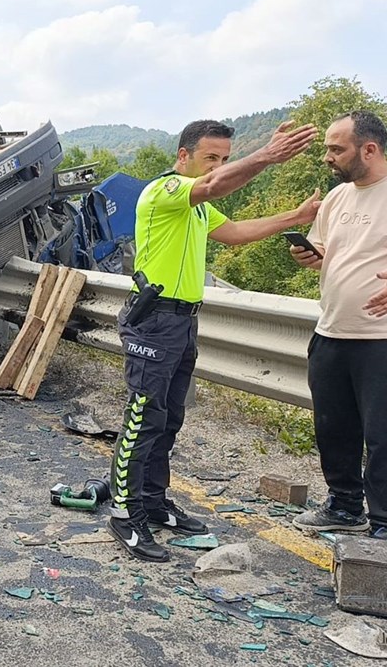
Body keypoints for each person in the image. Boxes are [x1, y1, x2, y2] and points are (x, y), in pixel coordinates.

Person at [107, 119, 320, 562]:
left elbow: (236, 232)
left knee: (169, 418)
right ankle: (124, 513)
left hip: (184, 321)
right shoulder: (164, 192)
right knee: (143, 418)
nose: (217, 168)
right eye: (210, 158)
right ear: (183, 156)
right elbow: (214, 188)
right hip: (154, 320)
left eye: (223, 159)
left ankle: (153, 501)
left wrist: (297, 217)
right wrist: (267, 155)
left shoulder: (198, 208)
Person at [290, 111, 387, 541]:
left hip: (379, 338)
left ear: (369, 148)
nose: (327, 157)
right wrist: (313, 254)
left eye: (336, 148)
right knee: (333, 428)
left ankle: (383, 521)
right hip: (331, 331)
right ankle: (345, 506)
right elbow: (329, 248)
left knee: (382, 436)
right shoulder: (336, 199)